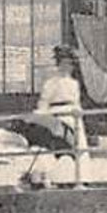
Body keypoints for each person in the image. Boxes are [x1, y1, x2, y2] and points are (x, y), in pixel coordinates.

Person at [36, 45, 86, 175]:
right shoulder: (51, 83)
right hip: (56, 116)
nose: (67, 67)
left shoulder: (74, 84)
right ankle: (58, 176)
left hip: (73, 116)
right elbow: (44, 102)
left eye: (69, 64)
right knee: (59, 147)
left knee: (77, 145)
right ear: (59, 64)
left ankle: (80, 176)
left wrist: (78, 112)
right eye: (64, 63)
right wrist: (43, 118)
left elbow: (77, 102)